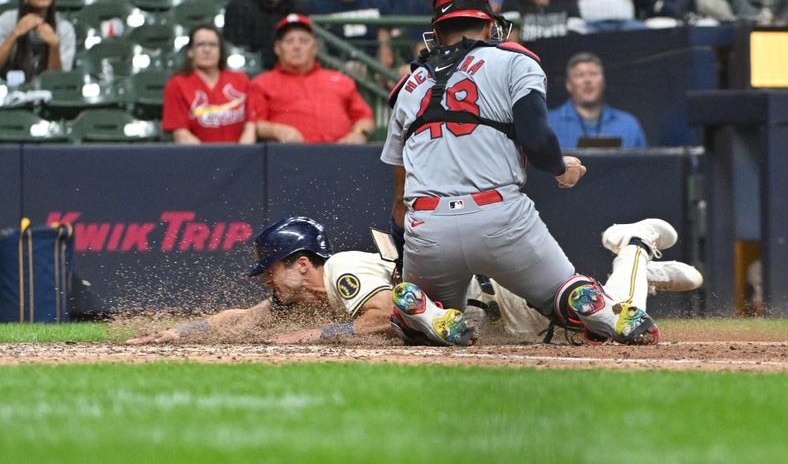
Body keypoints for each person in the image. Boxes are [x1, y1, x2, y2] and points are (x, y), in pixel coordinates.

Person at [380, 0, 662, 347]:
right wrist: (561, 169)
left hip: (430, 223)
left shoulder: (408, 86)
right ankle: (587, 301)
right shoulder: (514, 60)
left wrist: (406, 259)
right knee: (561, 294)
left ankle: (420, 311)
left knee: (418, 327)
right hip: (500, 214)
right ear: (487, 27)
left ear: (437, 33)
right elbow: (537, 137)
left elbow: (399, 200)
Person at [125, 216, 703, 345]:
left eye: (271, 270)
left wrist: (305, 341)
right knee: (606, 323)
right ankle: (640, 268)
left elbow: (380, 317)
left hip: (508, 309)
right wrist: (176, 334)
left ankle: (635, 245)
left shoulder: (343, 274)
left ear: (302, 263)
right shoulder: (313, 292)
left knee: (613, 325)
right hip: (483, 318)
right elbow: (244, 320)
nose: (267, 284)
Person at [248, 14, 375, 144]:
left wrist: (359, 133)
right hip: (289, 156)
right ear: (277, 48)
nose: (296, 47)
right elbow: (253, 124)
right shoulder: (261, 83)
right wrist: (276, 130)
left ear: (315, 47)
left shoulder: (341, 80)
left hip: (339, 155)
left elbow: (365, 117)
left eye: (303, 41)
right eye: (289, 41)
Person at [162, 24, 256, 144]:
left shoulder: (240, 80)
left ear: (220, 51)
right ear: (190, 51)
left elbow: (250, 126)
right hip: (198, 159)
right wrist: (210, 159)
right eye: (200, 44)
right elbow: (181, 134)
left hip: (240, 158)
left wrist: (240, 155)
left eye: (213, 45)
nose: (207, 50)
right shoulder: (176, 84)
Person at [548, 52, 647, 149]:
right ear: (568, 85)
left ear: (603, 81)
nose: (587, 80)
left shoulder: (629, 125)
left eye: (593, 74)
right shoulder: (549, 124)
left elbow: (644, 165)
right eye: (580, 75)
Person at [0, 0, 75, 84]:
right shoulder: (7, 20)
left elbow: (58, 81)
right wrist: (14, 34)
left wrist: (54, 46)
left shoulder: (64, 28)